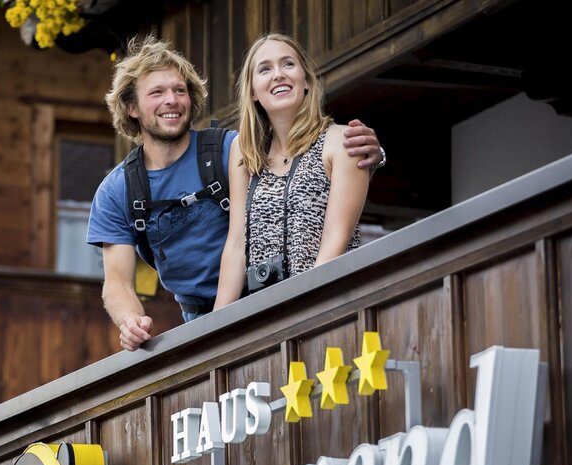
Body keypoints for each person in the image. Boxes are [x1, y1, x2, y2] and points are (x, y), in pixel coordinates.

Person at [87, 36, 383, 351]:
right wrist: (131, 321)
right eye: (157, 92)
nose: (171, 100)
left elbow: (307, 155)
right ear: (131, 107)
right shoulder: (118, 191)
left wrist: (373, 156)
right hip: (214, 314)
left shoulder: (231, 149)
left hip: (285, 297)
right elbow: (117, 282)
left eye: (179, 90)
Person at [214, 33, 371, 311]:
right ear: (253, 91)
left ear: (306, 80)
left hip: (326, 304)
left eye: (288, 64)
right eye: (265, 69)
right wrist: (217, 323)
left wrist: (303, 311)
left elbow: (336, 239)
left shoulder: (342, 141)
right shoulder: (244, 151)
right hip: (263, 312)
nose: (278, 74)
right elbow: (237, 244)